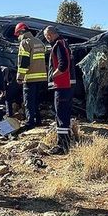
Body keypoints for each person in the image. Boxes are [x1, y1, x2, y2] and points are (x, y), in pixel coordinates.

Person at [44, 26, 74, 155]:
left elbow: (63, 65)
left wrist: (52, 75)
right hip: (65, 86)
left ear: (49, 35)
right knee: (63, 115)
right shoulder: (63, 43)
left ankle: (63, 146)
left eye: (46, 36)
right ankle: (64, 142)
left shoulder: (58, 45)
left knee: (61, 115)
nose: (46, 39)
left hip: (62, 86)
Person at [15, 22, 47, 129]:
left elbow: (24, 62)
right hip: (41, 77)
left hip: (30, 78)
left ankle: (30, 122)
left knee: (29, 102)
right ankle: (38, 120)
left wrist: (20, 77)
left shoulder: (25, 43)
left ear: (21, 32)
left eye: (18, 35)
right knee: (36, 101)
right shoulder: (39, 42)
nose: (18, 37)